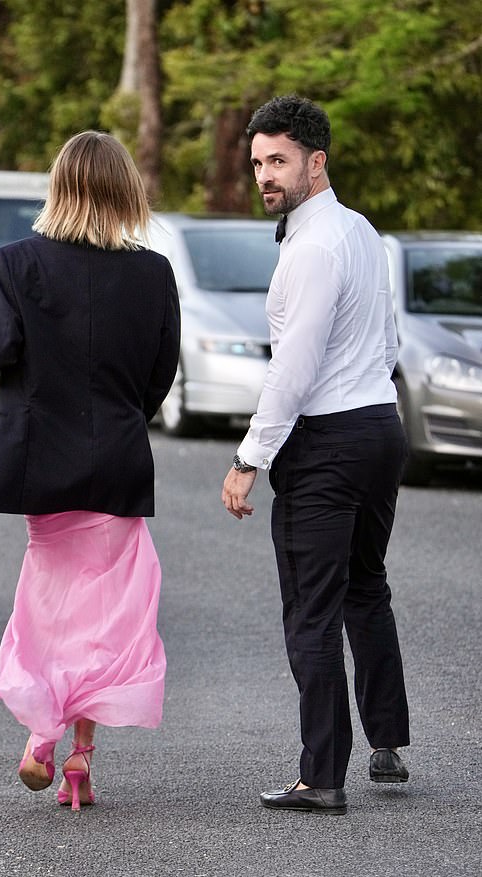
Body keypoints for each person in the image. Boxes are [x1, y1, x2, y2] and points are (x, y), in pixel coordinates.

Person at [0, 131, 180, 811]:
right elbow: (159, 378)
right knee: (104, 617)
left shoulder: (16, 263)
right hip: (120, 463)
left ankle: (41, 736)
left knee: (48, 607)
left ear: (59, 187)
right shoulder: (154, 272)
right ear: (124, 190)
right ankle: (81, 755)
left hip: (43, 463)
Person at [222, 95, 410, 815]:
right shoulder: (362, 232)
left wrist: (250, 456)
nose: (266, 175)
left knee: (310, 608)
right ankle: (387, 738)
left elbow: (292, 366)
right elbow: (386, 338)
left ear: (316, 160)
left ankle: (321, 775)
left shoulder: (312, 246)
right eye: (259, 163)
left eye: (279, 161)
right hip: (379, 427)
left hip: (329, 440)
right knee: (365, 584)